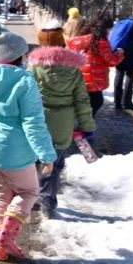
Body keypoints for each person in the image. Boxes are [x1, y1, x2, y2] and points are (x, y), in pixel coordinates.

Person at [0, 22, 56, 261]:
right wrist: (47, 155)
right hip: (16, 152)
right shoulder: (24, 81)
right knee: (29, 192)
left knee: (0, 194)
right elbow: (33, 123)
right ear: (18, 57)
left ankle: (0, 247)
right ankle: (6, 237)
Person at [28, 23, 95, 217]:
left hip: (37, 120)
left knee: (33, 161)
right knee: (54, 164)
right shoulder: (74, 70)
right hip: (63, 123)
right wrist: (87, 126)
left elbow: (26, 94)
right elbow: (82, 100)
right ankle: (48, 201)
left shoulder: (34, 67)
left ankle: (31, 197)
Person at [66, 15, 124, 119]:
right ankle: (84, 126)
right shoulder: (101, 42)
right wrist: (120, 53)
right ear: (105, 28)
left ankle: (80, 123)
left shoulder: (80, 39)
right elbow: (111, 61)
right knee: (96, 102)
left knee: (84, 102)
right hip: (95, 80)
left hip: (79, 77)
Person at [110, 13, 133, 110]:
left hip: (120, 51)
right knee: (130, 76)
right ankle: (127, 102)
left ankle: (117, 101)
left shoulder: (124, 22)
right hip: (132, 53)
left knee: (119, 75)